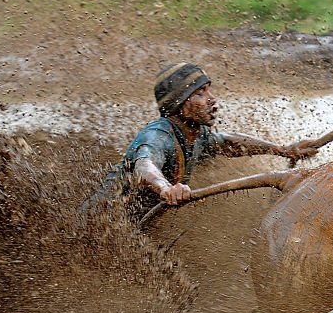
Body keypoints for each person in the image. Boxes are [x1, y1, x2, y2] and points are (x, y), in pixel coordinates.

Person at [86, 62, 316, 219]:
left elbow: (226, 143)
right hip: (99, 222)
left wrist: (283, 150)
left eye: (209, 90)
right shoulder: (159, 135)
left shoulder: (195, 134)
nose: (212, 100)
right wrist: (166, 188)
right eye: (199, 94)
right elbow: (144, 165)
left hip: (132, 224)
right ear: (179, 105)